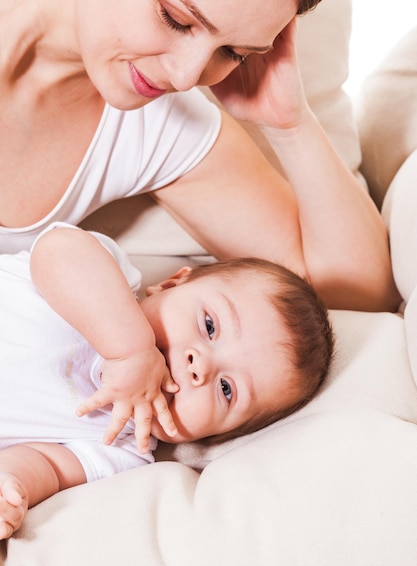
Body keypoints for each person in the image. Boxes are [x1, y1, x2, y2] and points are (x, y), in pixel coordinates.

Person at [0, 0, 400, 312]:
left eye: (233, 52)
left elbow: (357, 293)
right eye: (175, 18)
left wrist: (291, 126)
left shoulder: (154, 125)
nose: (186, 76)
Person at [0, 223, 334, 539]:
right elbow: (57, 249)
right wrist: (130, 351)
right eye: (209, 325)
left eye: (226, 389)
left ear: (217, 435)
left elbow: (47, 464)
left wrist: (12, 483)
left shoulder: (125, 449)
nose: (198, 366)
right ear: (171, 284)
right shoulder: (106, 274)